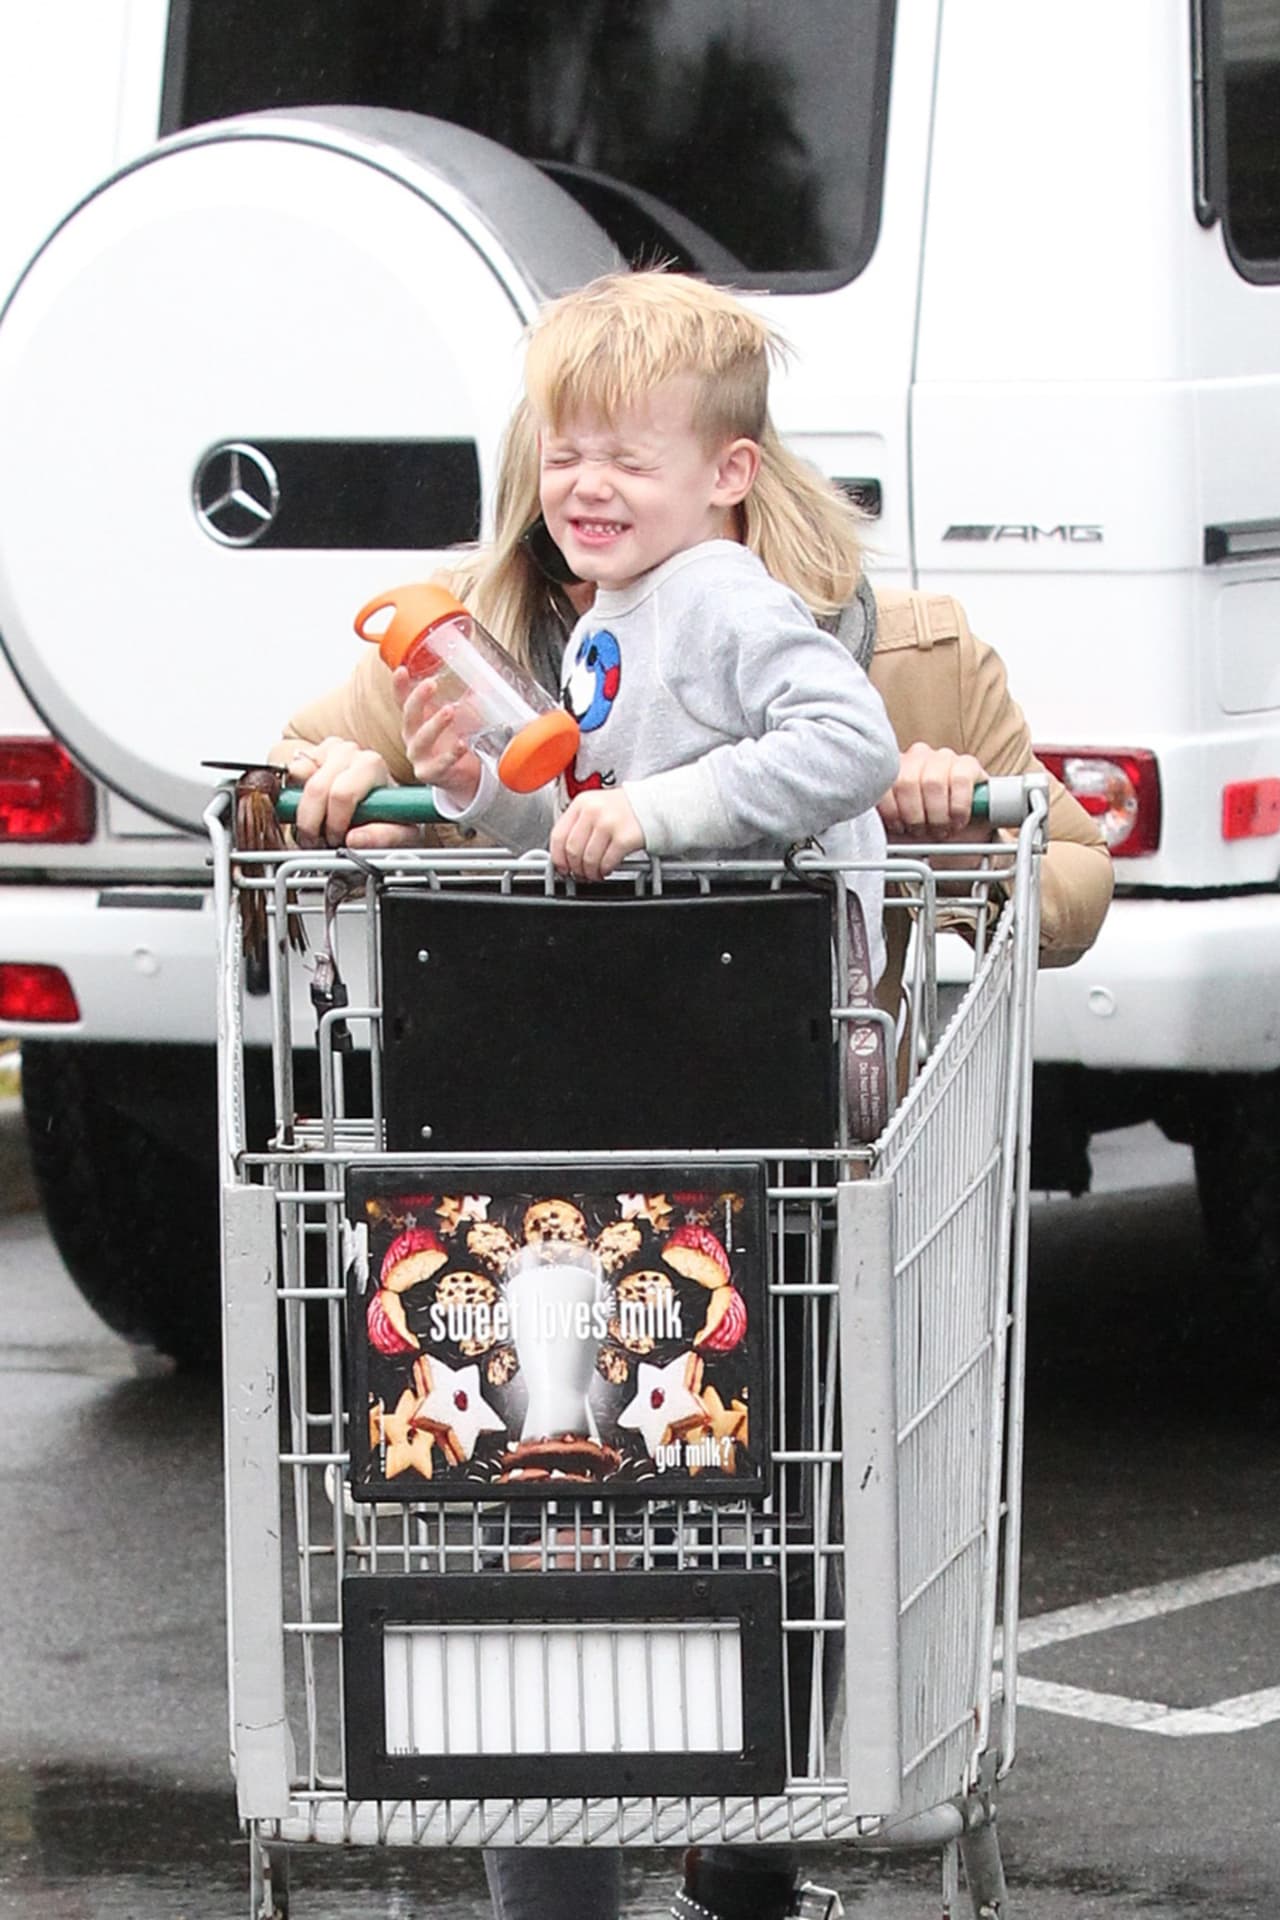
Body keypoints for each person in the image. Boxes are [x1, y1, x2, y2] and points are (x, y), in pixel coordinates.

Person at [271, 283, 1111, 1920]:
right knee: (575, 1486)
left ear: (728, 472)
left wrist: (647, 811)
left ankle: (715, 1850)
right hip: (620, 1086)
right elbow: (572, 822)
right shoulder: (592, 615)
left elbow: (839, 746)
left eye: (624, 459)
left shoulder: (719, 597)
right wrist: (453, 793)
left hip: (762, 1090)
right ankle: (627, 1862)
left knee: (698, 1483)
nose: (584, 485)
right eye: (561, 453)